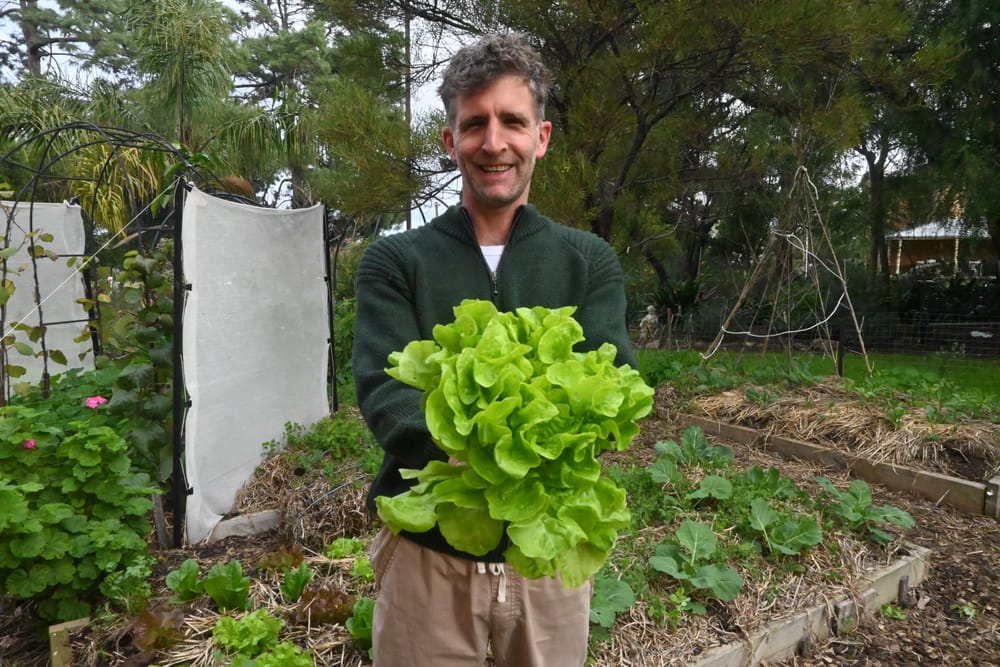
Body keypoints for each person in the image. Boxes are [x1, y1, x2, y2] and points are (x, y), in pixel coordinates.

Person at [352, 32, 636, 667]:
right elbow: (384, 391)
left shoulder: (588, 260)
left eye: (513, 121)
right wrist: (471, 454)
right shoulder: (396, 261)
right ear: (451, 140)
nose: (494, 142)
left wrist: (537, 453)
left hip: (546, 552)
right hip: (430, 554)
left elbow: (615, 378)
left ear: (542, 137)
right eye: (473, 123)